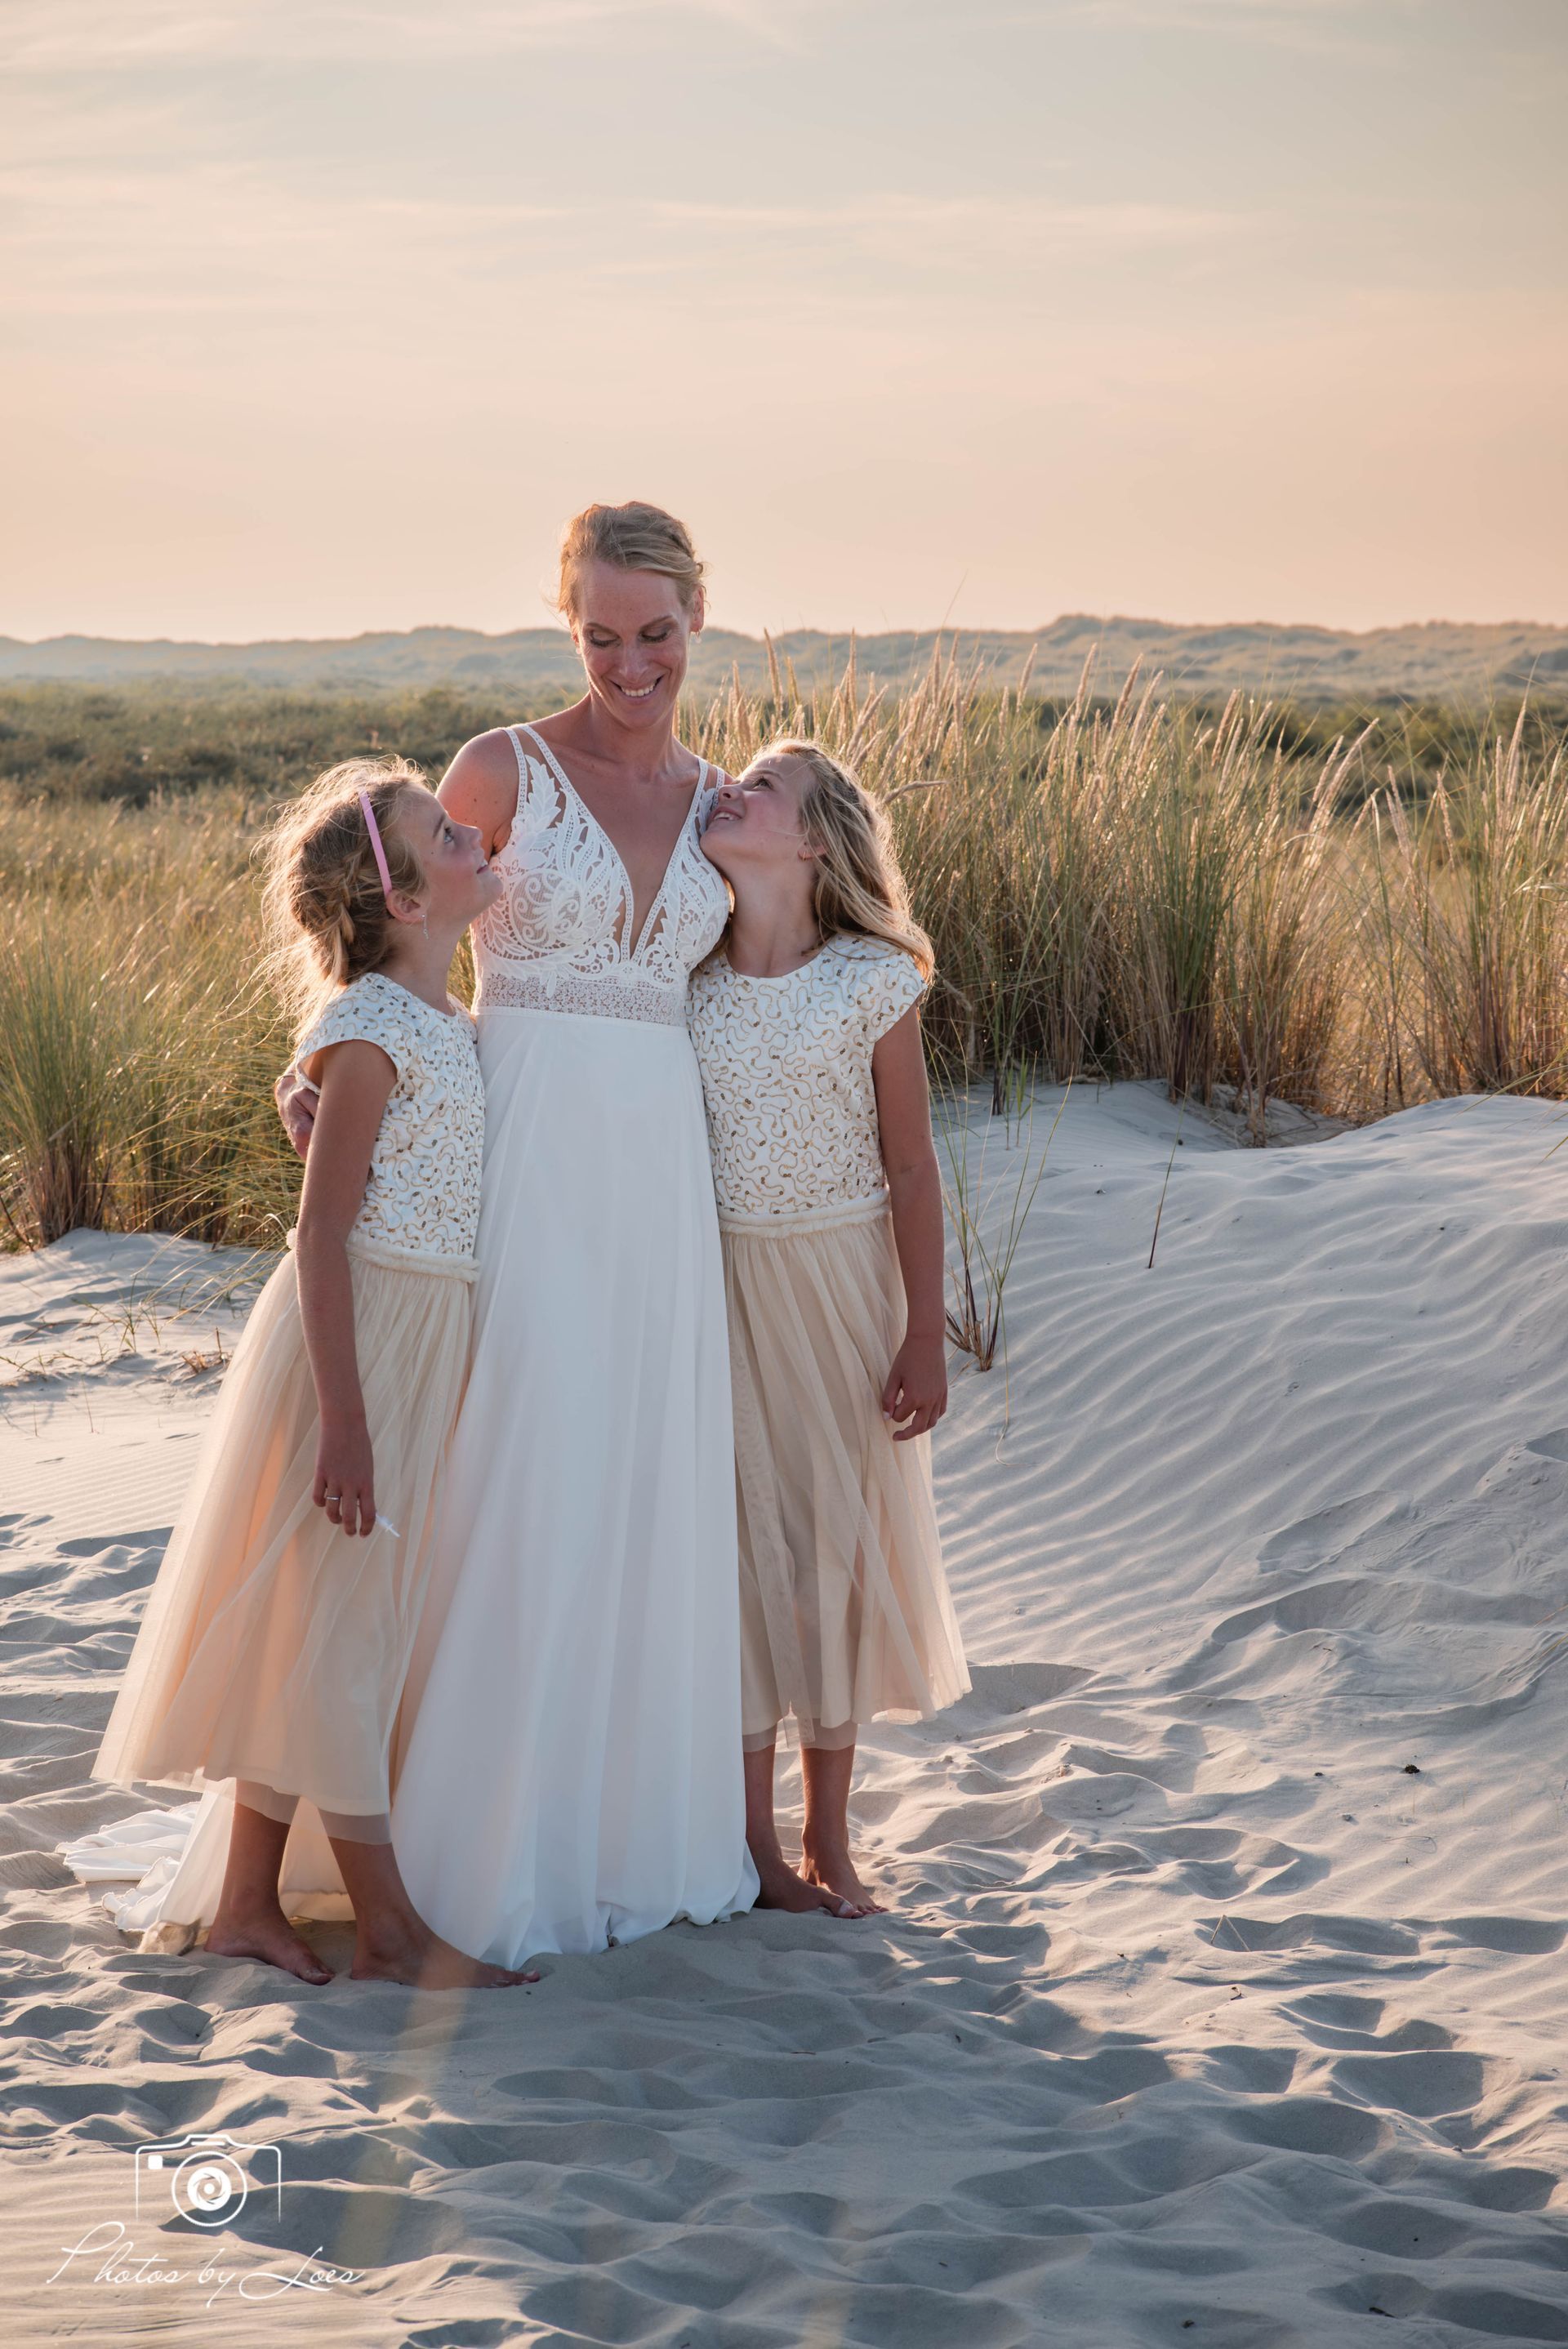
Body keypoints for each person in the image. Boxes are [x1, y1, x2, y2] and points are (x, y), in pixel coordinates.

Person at [276, 503, 759, 1966]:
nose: (631, 663)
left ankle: (627, 1829)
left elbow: (769, 983)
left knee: (640, 1468)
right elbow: (394, 929)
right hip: (525, 1153)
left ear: (699, 618)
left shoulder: (725, 803)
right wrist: (321, 1079)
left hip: (663, 1180)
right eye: (603, 635)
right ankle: (454, 1844)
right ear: (571, 628)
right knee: (520, 1461)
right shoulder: (501, 767)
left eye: (657, 633)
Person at [92, 759, 531, 1989]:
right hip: (359, 1344)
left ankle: (245, 1899)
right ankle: (389, 1929)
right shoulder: (369, 1026)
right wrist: (347, 1418)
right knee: (348, 1625)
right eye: (446, 832)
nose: (470, 832)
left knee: (323, 1610)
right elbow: (320, 1231)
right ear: (402, 896)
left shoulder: (443, 1021)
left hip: (420, 1336)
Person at [690, 740, 970, 1915]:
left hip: (843, 1288)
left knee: (830, 1562)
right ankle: (752, 1845)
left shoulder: (871, 976)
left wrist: (922, 1333)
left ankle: (832, 1839)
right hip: (716, 1288)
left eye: (761, 788)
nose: (728, 789)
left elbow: (911, 1165)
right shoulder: (682, 976)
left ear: (811, 843)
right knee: (740, 1555)